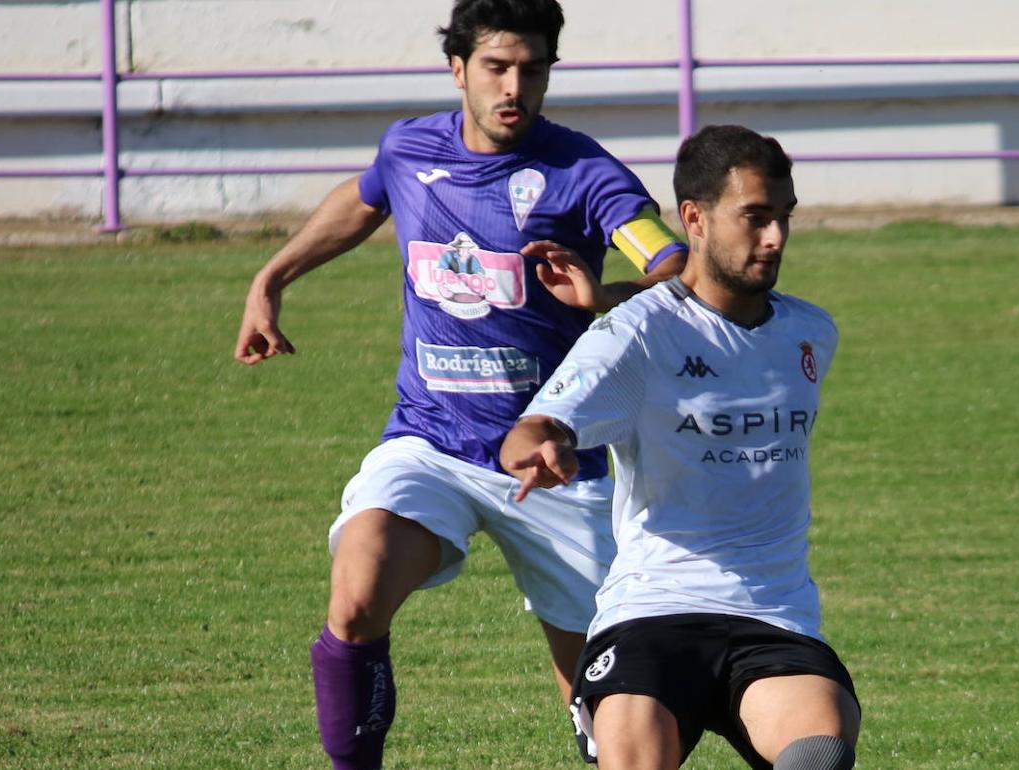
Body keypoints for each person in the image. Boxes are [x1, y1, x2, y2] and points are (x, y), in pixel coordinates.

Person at [232, 0, 686, 767]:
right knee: (357, 591)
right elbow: (365, 195)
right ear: (458, 69)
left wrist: (602, 296)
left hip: (556, 461)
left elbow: (675, 267)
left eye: (531, 70)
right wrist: (272, 277)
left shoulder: (585, 173)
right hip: (431, 443)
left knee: (614, 720)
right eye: (496, 67)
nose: (513, 87)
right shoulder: (410, 149)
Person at [500, 125, 861, 770]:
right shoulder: (635, 334)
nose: (776, 237)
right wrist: (540, 448)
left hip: (773, 616)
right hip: (650, 612)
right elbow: (538, 427)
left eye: (784, 216)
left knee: (819, 757)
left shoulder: (810, 332)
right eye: (755, 217)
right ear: (694, 218)